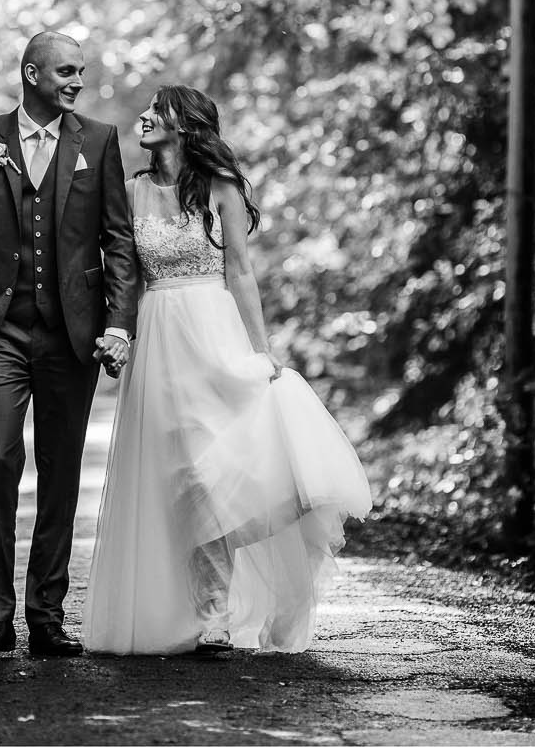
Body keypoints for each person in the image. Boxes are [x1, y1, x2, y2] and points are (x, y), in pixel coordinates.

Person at [85, 86, 371, 656]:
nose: (143, 118)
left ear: (185, 126)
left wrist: (261, 352)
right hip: (158, 336)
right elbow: (120, 273)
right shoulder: (131, 191)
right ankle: (190, 609)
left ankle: (216, 610)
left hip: (213, 333)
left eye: (156, 111)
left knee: (217, 470)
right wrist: (116, 332)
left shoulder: (221, 188)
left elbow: (240, 272)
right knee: (174, 477)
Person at [0, 30, 138, 657]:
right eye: (67, 72)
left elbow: (118, 242)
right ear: (32, 75)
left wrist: (117, 322)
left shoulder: (100, 142)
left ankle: (46, 616)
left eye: (81, 71)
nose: (78, 82)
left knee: (61, 472)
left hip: (71, 334)